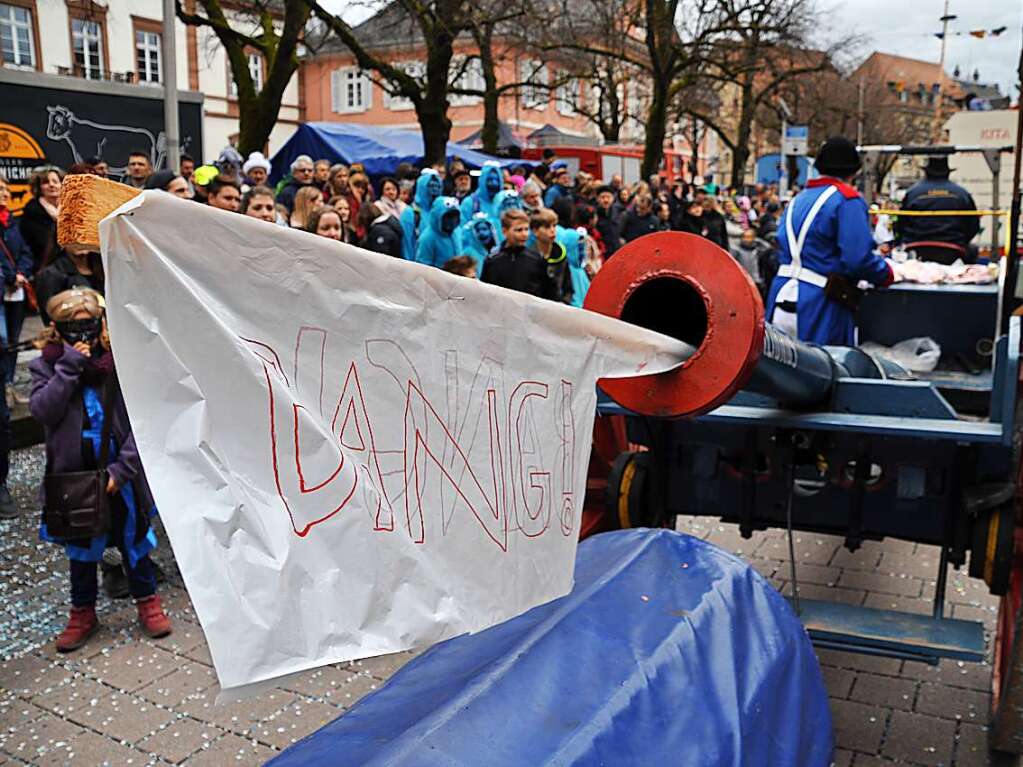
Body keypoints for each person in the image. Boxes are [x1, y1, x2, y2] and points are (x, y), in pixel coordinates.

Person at [31, 289, 171, 651]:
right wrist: (68, 367)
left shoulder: (117, 362)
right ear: (56, 329)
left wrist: (123, 468)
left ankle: (147, 600)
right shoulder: (46, 365)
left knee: (134, 539)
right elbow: (44, 411)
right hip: (73, 478)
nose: (83, 336)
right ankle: (83, 612)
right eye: (72, 328)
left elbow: (141, 420)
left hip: (118, 473)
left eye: (89, 326)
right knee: (81, 546)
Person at [766, 136, 893, 345]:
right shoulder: (846, 199)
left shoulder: (797, 200)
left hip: (780, 294)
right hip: (820, 301)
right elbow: (857, 258)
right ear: (854, 171)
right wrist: (886, 273)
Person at [897, 156, 980, 263]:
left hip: (916, 249)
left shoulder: (912, 193)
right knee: (973, 250)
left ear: (926, 172)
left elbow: (901, 224)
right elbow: (973, 226)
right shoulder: (962, 194)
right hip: (953, 250)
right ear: (948, 173)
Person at [481, 210, 560, 300]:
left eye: (526, 229)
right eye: (519, 230)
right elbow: (485, 294)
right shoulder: (492, 261)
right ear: (504, 231)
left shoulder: (536, 259)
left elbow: (550, 293)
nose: (524, 234)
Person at [36, 244, 105, 325]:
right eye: (73, 236)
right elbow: (49, 314)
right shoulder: (51, 274)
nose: (79, 242)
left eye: (83, 235)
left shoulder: (103, 269)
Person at [19, 167, 62, 272]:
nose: (51, 185)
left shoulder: (71, 210)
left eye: (55, 181)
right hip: (43, 272)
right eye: (46, 182)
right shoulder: (31, 215)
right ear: (39, 188)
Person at [530, 209, 572, 304]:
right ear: (535, 231)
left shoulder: (560, 253)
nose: (552, 230)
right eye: (547, 227)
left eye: (554, 226)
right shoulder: (529, 256)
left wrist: (564, 302)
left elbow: (568, 287)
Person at [400, 169, 443, 260]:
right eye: (431, 186)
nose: (435, 189)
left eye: (438, 186)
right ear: (422, 187)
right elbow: (407, 246)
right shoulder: (410, 213)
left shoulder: (441, 213)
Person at [415, 197, 462, 268]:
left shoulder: (457, 231)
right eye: (448, 216)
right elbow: (423, 267)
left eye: (455, 216)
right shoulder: (427, 238)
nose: (452, 220)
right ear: (437, 216)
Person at [730, 228, 771, 297]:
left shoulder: (757, 250)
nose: (746, 239)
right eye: (744, 237)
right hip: (742, 281)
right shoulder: (737, 250)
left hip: (756, 281)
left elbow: (768, 247)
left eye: (749, 237)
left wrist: (757, 240)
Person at [595, 186, 622, 257]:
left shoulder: (618, 212)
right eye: (603, 197)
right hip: (602, 253)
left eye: (608, 197)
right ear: (597, 199)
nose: (606, 200)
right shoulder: (594, 214)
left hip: (616, 252)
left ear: (613, 199)